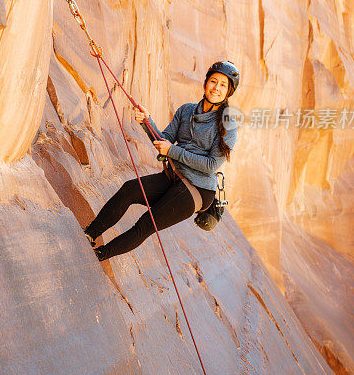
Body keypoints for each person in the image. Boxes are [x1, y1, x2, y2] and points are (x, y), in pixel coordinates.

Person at [83, 61, 240, 261]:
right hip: (173, 176)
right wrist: (147, 122)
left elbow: (211, 165)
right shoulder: (186, 111)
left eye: (223, 85)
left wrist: (173, 150)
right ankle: (90, 234)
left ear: (228, 92)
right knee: (129, 190)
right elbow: (163, 140)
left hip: (198, 189)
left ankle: (101, 254)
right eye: (213, 81)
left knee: (147, 223)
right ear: (206, 82)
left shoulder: (228, 125)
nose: (216, 88)